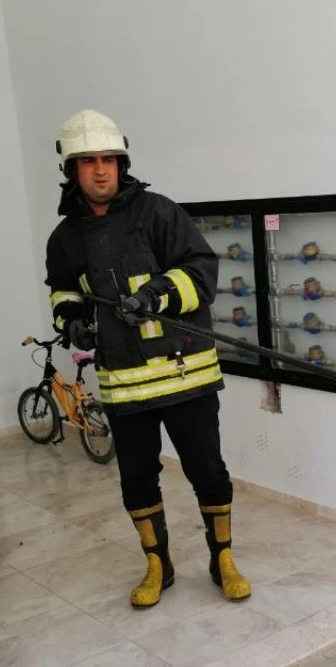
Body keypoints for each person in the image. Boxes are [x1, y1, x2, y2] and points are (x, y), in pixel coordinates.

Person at [45, 109, 251, 609]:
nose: (101, 170)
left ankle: (222, 559)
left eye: (109, 159)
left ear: (122, 163)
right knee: (136, 479)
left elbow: (201, 271)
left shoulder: (160, 213)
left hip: (188, 377)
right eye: (88, 161)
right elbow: (63, 292)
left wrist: (156, 295)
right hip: (125, 386)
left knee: (208, 471)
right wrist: (70, 320)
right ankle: (158, 564)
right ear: (71, 169)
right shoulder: (65, 239)